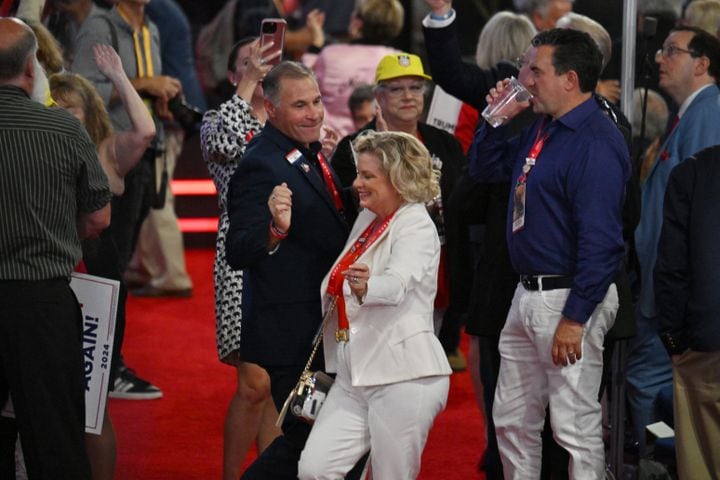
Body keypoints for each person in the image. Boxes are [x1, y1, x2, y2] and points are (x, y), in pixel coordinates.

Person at [472, 28, 630, 478]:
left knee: (574, 429)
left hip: (569, 298)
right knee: (511, 421)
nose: (523, 78)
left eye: (533, 69)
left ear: (570, 79)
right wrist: (494, 117)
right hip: (527, 294)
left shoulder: (596, 141)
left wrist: (576, 318)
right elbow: (486, 170)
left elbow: (602, 242)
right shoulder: (544, 127)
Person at [225, 60, 355, 480]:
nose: (314, 112)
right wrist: (273, 231)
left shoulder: (305, 151)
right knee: (312, 440)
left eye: (317, 101)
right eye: (300, 105)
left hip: (320, 328)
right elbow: (238, 248)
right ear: (271, 107)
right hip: (293, 334)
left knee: (327, 439)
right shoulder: (260, 163)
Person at [298, 130, 452, 479]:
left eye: (368, 176)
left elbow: (398, 284)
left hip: (404, 377)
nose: (357, 184)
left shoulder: (415, 224)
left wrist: (368, 287)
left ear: (397, 179)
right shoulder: (370, 217)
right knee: (314, 469)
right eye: (358, 174)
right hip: (354, 374)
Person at [0, 17, 111, 479]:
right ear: (31, 68)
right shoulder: (64, 130)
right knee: (55, 437)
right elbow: (99, 216)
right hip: (42, 302)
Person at [50, 43, 156, 480]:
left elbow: (147, 131)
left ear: (88, 112)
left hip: (98, 284)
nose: (62, 115)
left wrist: (118, 78)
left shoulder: (108, 149)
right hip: (52, 279)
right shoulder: (42, 149)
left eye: (70, 109)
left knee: (94, 403)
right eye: (54, 107)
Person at [72, 0, 182, 399]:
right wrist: (144, 85)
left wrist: (158, 99)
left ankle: (107, 363)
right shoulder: (99, 27)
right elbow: (79, 93)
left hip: (142, 155)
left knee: (118, 265)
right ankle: (103, 366)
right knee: (108, 269)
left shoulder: (149, 27)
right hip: (110, 159)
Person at [331, 52, 467, 371]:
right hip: (379, 271)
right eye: (396, 89)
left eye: (415, 88)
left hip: (441, 265)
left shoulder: (446, 144)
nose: (408, 96)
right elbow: (349, 214)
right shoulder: (354, 149)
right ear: (378, 95)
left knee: (425, 357)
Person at [628, 25, 720, 455]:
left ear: (702, 63)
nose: (660, 59)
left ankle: (656, 465)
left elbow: (703, 219)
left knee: (653, 385)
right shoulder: (691, 114)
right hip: (664, 291)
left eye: (672, 51)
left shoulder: (709, 114)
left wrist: (678, 311)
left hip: (677, 301)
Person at [200, 37, 281, 480]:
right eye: (248, 64)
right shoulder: (218, 119)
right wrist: (249, 84)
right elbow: (221, 148)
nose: (261, 66)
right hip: (240, 256)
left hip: (289, 255)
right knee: (254, 383)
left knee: (272, 386)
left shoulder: (289, 117)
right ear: (234, 76)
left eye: (267, 60)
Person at [655, 145, 720, 479]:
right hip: (705, 342)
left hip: (706, 346)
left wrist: (673, 338)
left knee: (702, 464)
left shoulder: (694, 172)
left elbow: (671, 268)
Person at [310, 0, 402, 138]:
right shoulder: (400, 61)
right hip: (383, 145)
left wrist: (315, 45)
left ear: (358, 23)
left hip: (331, 145)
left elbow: (305, 80)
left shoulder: (330, 55)